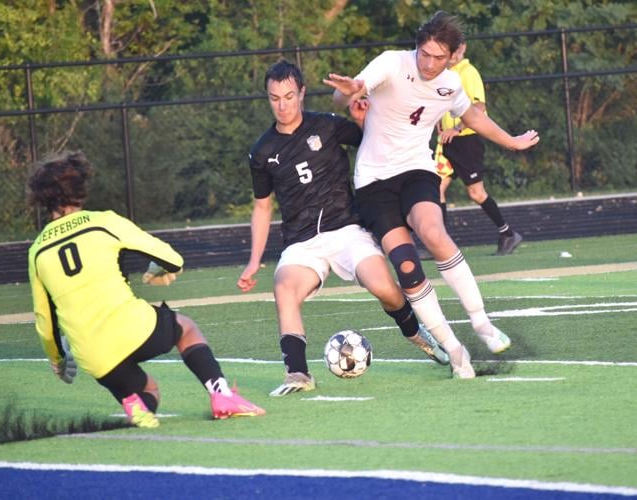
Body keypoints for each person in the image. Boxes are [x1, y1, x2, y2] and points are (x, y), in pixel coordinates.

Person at [324, 11, 539, 378]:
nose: (428, 62)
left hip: (416, 171)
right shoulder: (393, 63)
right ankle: (455, 351)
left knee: (434, 232)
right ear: (417, 47)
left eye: (438, 57)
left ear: (453, 56)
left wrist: (512, 142)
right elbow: (352, 91)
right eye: (424, 53)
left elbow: (472, 117)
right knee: (407, 266)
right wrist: (346, 94)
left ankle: (482, 323)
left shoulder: (452, 84)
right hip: (374, 182)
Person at [237, 60, 449, 397]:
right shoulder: (262, 151)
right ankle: (298, 374)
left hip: (348, 231)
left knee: (385, 288)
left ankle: (416, 334)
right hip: (301, 244)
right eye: (275, 98)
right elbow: (263, 206)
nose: (283, 104)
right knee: (284, 289)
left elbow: (376, 141)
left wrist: (364, 120)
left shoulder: (329, 127)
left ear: (302, 93)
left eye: (289, 96)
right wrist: (253, 262)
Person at [27, 150, 265, 427]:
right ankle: (222, 396)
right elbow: (173, 260)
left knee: (148, 390)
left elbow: (45, 321)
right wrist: (158, 269)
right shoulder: (104, 222)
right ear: (81, 189)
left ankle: (137, 408)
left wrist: (57, 360)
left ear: (42, 199)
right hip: (132, 328)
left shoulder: (37, 251)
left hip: (93, 356)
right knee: (185, 328)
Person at [437, 41, 523, 256]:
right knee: (435, 189)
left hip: (466, 140)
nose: (452, 55)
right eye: (449, 51)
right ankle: (440, 244)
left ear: (463, 48)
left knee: (476, 193)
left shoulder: (468, 72)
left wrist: (456, 128)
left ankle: (508, 233)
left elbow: (478, 107)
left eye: (455, 50)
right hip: (446, 142)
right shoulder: (444, 75)